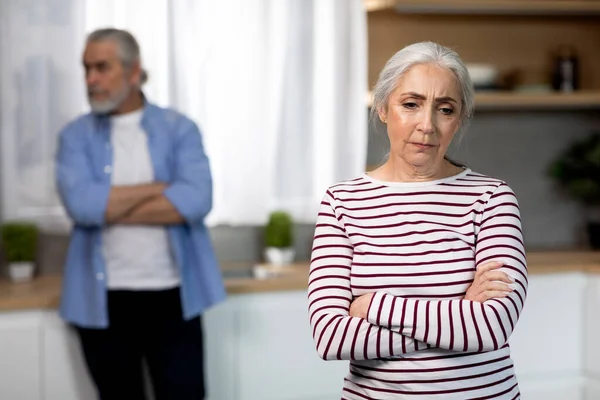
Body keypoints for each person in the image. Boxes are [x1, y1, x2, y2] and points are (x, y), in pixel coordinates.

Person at [308, 41, 527, 399]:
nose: (427, 125)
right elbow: (332, 337)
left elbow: (491, 327)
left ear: (460, 118)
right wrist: (459, 317)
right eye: (410, 104)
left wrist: (373, 306)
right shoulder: (342, 202)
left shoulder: (492, 198)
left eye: (445, 109)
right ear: (382, 108)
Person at [55, 28, 226, 400]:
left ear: (133, 72)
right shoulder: (74, 136)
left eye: (102, 67)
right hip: (102, 303)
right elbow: (82, 207)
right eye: (86, 68)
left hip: (173, 298)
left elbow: (196, 200)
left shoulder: (179, 128)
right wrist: (160, 186)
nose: (91, 79)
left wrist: (105, 205)